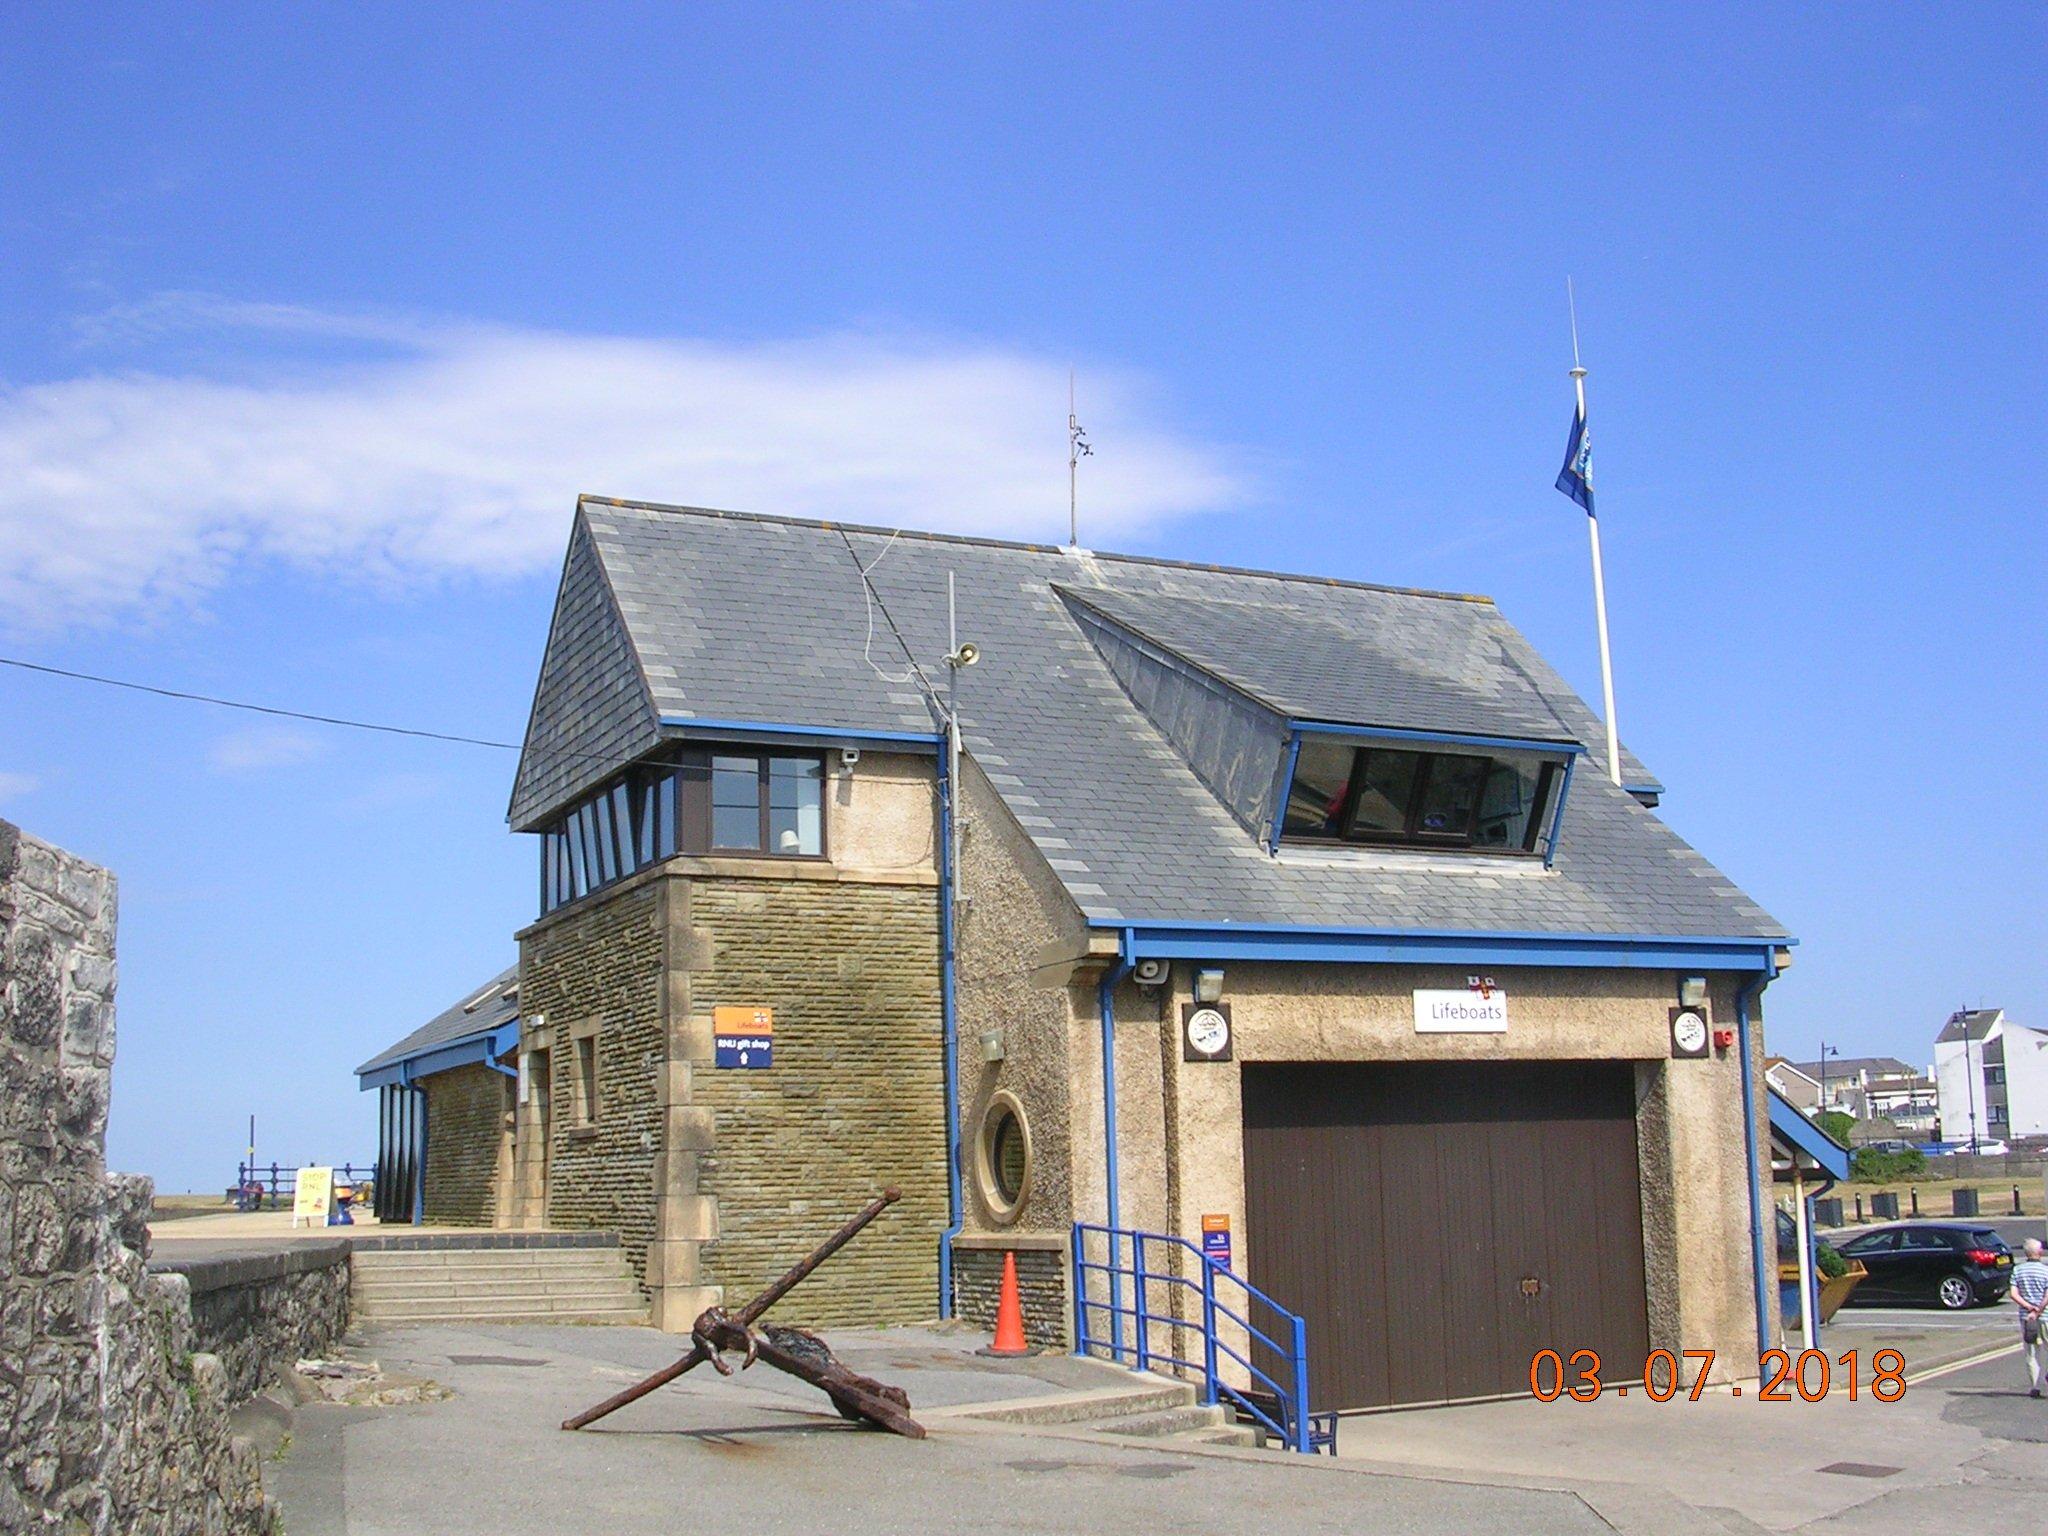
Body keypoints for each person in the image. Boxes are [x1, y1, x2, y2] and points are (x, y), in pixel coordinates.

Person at [2013, 1237, 2048, 1398]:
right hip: (2045, 1315)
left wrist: (2028, 1308)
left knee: (2031, 1353)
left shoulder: (2017, 1270)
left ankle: (2034, 1387)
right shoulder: (2046, 1271)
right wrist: (2039, 1309)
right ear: (2039, 1252)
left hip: (2027, 1318)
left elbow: (2014, 1294)